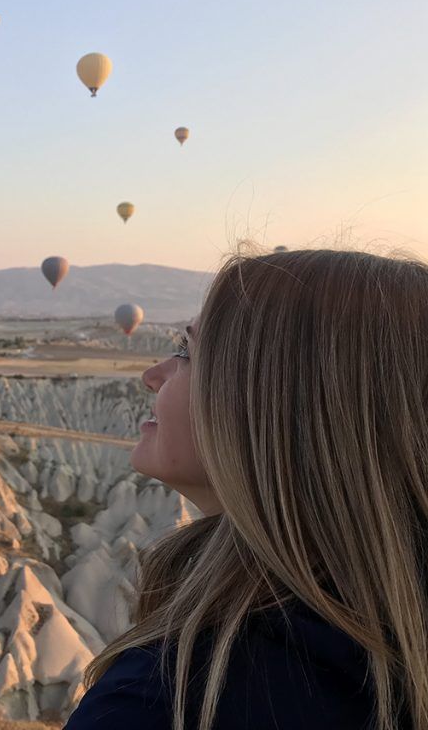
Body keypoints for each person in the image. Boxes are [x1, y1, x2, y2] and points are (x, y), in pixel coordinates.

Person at [65, 249, 428, 730]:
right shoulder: (384, 648)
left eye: (187, 352)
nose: (151, 375)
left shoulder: (166, 699)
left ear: (272, 405)